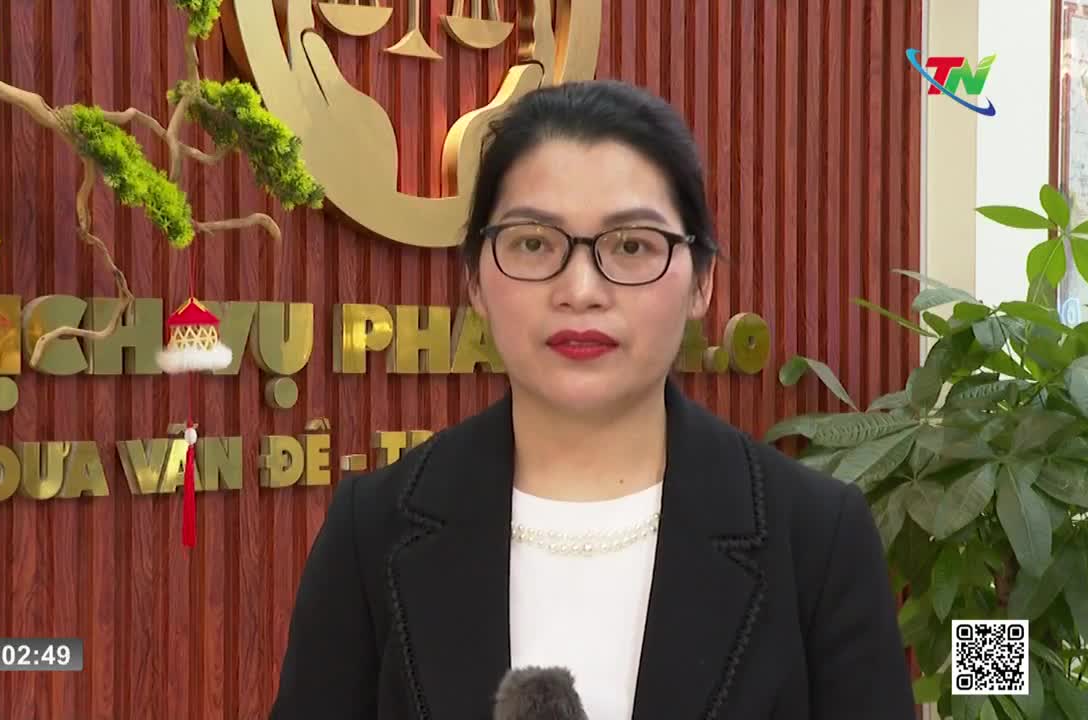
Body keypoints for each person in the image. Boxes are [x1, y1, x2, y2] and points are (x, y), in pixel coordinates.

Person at [269, 80, 915, 720]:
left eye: (631, 246)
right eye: (533, 243)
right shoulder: (372, 531)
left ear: (702, 284)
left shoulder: (815, 537)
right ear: (474, 279)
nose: (580, 290)